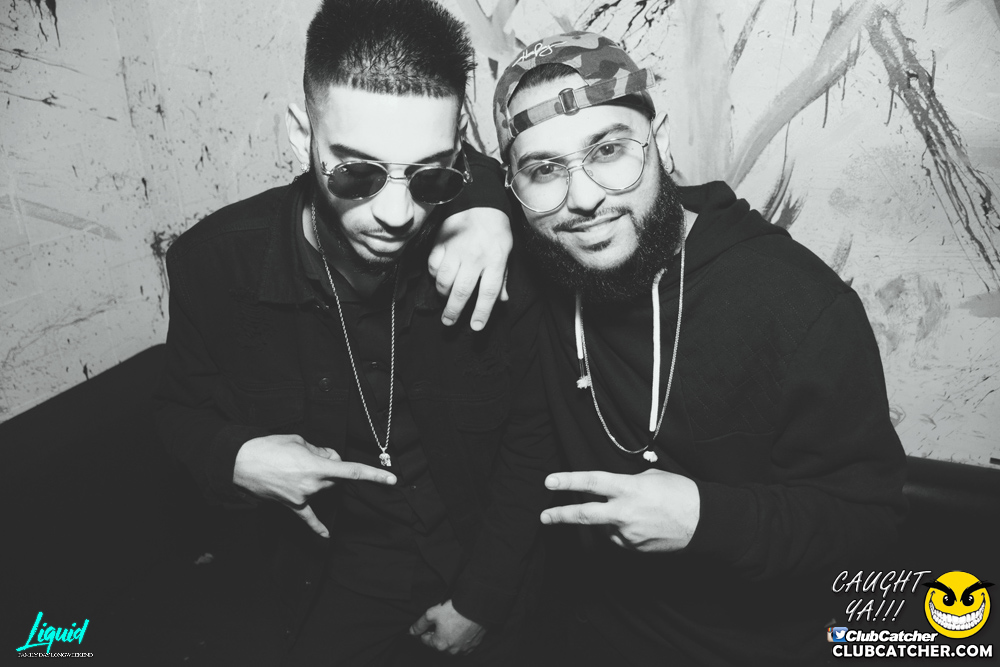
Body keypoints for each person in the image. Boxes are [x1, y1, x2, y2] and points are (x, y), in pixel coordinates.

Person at [153, 1, 555, 664]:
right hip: (323, 585)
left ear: (459, 146)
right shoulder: (216, 266)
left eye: (427, 173)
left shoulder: (493, 249)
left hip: (483, 563)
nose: (396, 213)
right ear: (300, 134)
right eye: (358, 172)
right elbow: (178, 412)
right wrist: (233, 455)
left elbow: (532, 436)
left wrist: (483, 599)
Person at [490, 32, 908, 665]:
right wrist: (476, 215)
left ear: (661, 141)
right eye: (545, 170)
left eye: (609, 150)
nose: (583, 198)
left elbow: (871, 525)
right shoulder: (539, 270)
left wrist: (709, 519)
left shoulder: (796, 303)